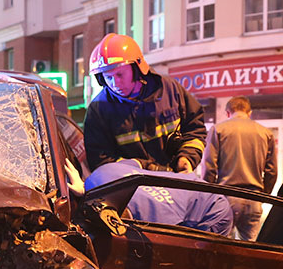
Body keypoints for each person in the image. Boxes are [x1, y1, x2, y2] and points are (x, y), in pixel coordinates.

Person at [83, 33, 206, 174]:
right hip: (134, 191)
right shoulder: (99, 110)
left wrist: (187, 158)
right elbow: (102, 162)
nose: (115, 83)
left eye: (120, 74)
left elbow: (195, 129)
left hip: (180, 181)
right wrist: (147, 169)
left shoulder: (170, 89)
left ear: (137, 68)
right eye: (108, 77)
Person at [84, 159, 234, 237]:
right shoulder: (102, 173)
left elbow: (168, 244)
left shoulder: (156, 213)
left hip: (215, 211)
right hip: (191, 188)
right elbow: (138, 162)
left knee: (196, 262)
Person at [202, 96, 277, 240]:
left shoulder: (218, 129)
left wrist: (209, 195)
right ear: (250, 113)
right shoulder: (266, 133)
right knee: (250, 249)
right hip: (254, 198)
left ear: (228, 113)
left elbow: (209, 167)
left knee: (222, 245)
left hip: (226, 196)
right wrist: (263, 194)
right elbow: (271, 171)